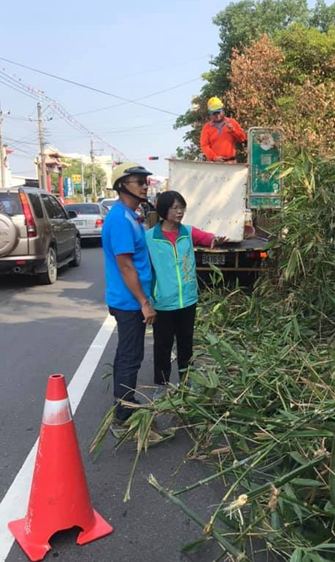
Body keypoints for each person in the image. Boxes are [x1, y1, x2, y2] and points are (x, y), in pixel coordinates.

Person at [146, 190, 227, 390]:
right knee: (163, 346)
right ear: (163, 210)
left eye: (182, 207)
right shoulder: (149, 238)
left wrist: (215, 239)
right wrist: (147, 301)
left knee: (186, 344)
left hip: (188, 300)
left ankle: (186, 381)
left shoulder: (188, 232)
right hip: (163, 302)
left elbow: (207, 238)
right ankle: (162, 385)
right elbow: (143, 270)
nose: (180, 212)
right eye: (175, 208)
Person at [101, 161, 156, 435]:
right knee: (130, 356)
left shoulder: (131, 216)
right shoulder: (121, 220)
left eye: (146, 182)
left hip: (131, 299)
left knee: (128, 353)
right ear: (122, 186)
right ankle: (123, 414)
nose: (145, 186)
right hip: (129, 301)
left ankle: (126, 403)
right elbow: (125, 266)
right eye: (139, 182)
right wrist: (144, 302)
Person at [199, 97, 246, 162]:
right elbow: (204, 146)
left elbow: (242, 138)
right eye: (214, 113)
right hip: (213, 164)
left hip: (230, 163)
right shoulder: (206, 127)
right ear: (210, 114)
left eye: (219, 112)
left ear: (223, 110)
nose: (217, 115)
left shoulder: (232, 122)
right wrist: (214, 157)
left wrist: (233, 131)